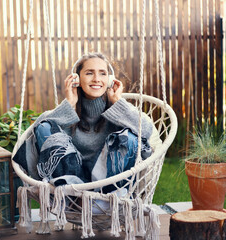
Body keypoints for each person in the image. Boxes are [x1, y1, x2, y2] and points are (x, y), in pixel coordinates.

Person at [13, 52, 154, 192]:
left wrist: (117, 102)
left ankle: (104, 198)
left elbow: (146, 130)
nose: (97, 79)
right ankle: (77, 193)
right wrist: (69, 104)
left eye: (102, 73)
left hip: (109, 187)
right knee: (45, 127)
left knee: (129, 138)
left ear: (110, 79)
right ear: (77, 79)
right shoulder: (68, 111)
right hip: (72, 186)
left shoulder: (119, 111)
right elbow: (39, 130)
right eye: (89, 73)